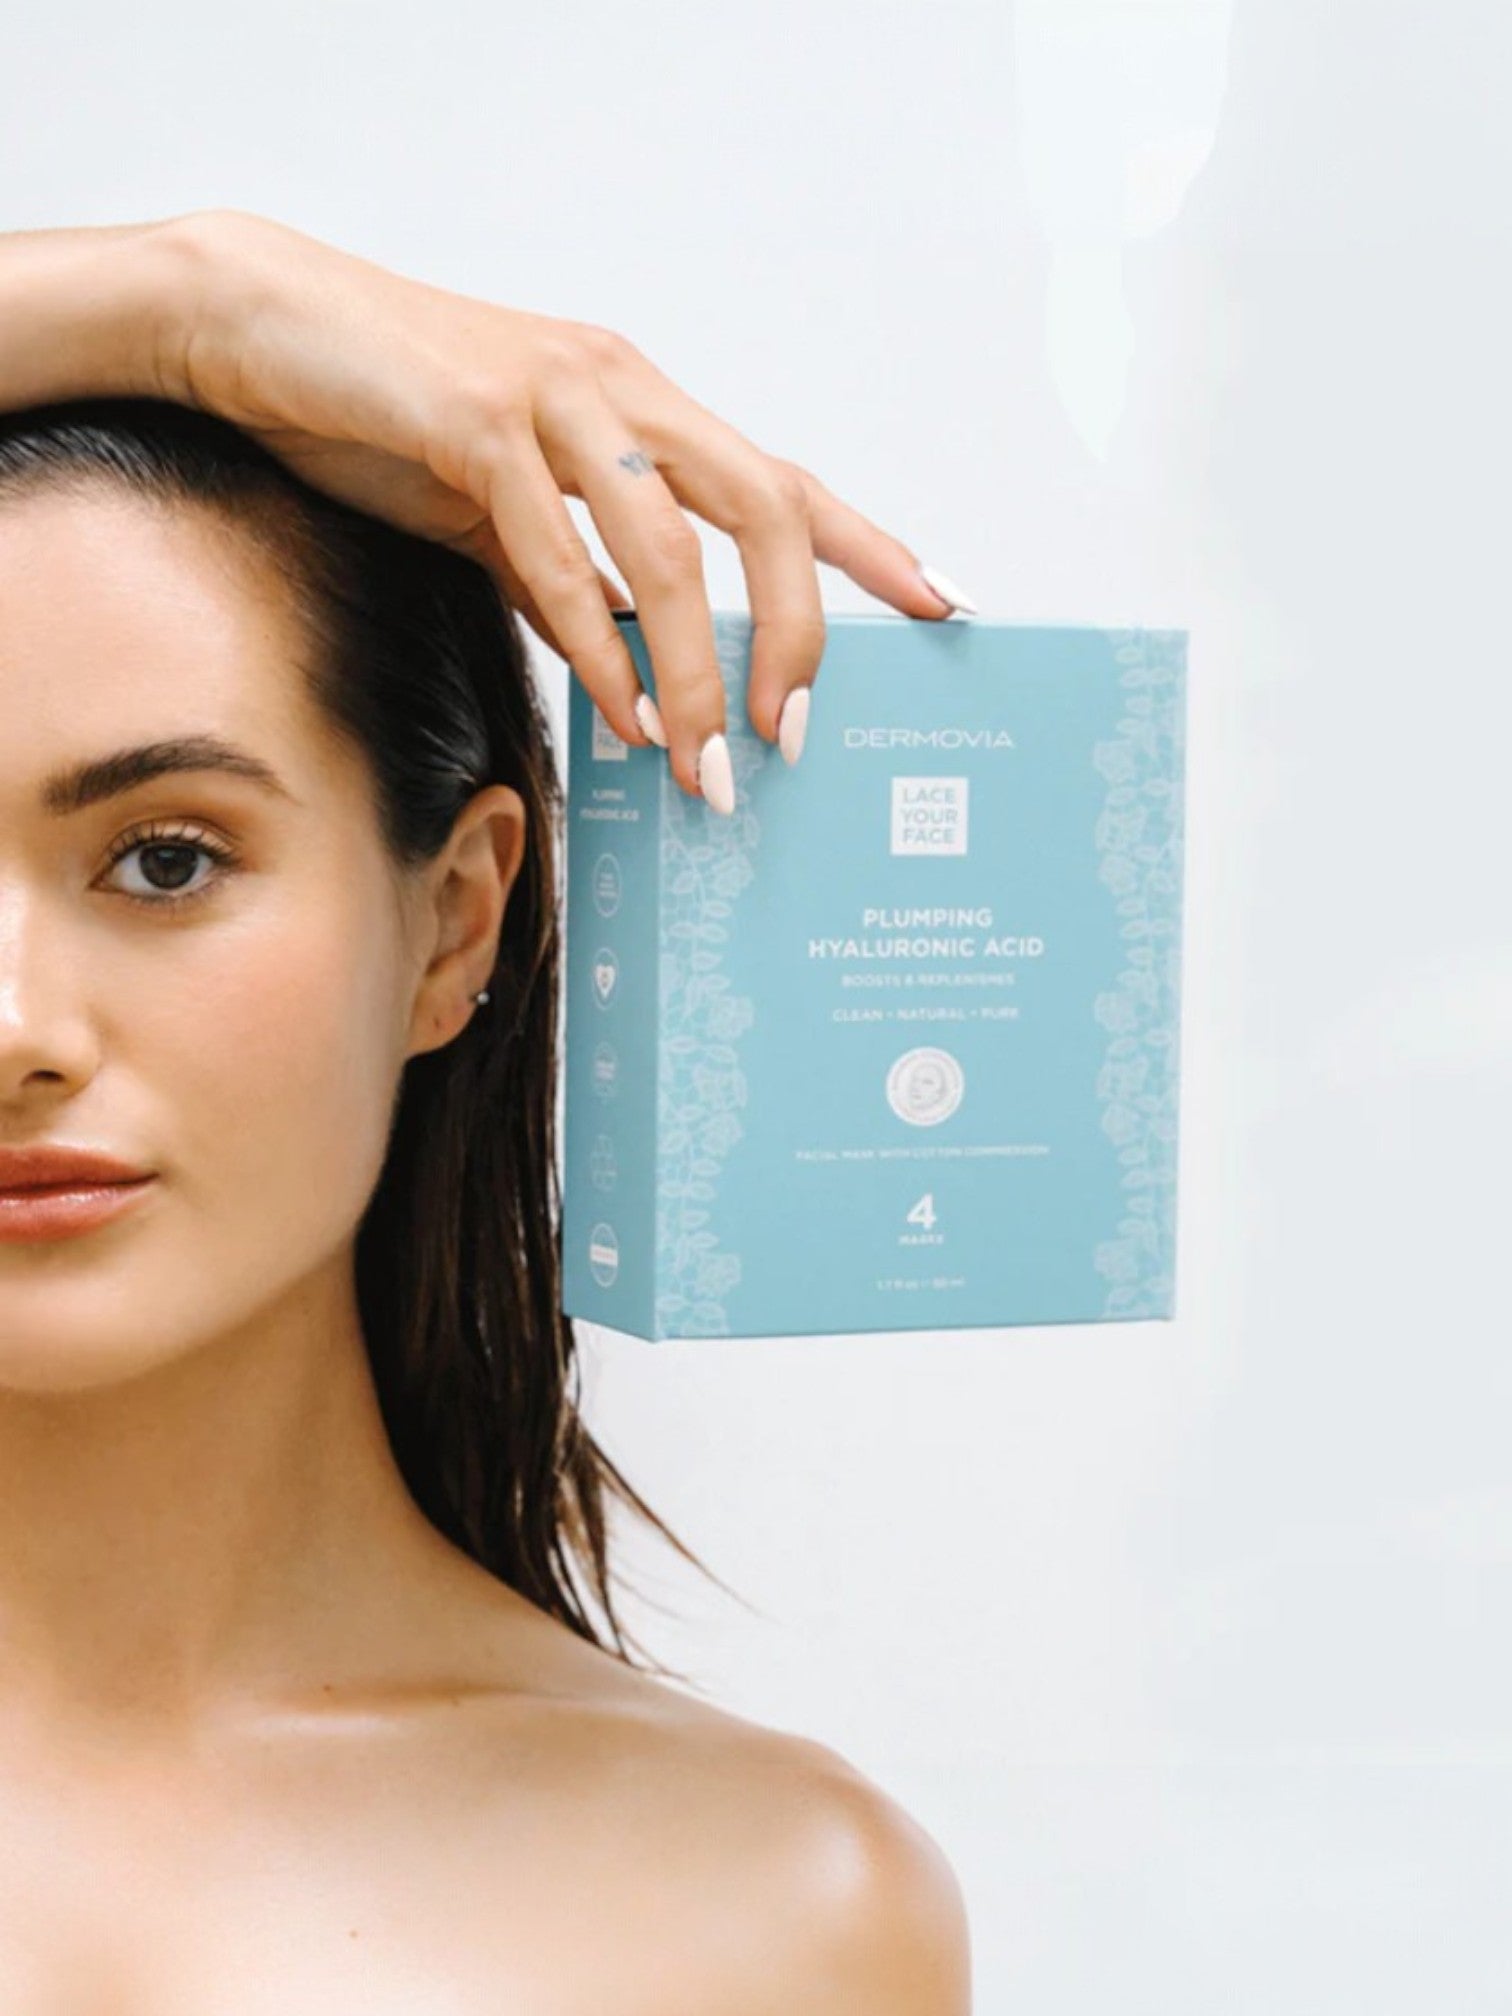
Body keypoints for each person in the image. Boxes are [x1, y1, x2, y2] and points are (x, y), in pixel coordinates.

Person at [0, 210, 974, 2009]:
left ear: (454, 922)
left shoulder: (767, 1913)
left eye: (161, 858)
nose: (16, 1031)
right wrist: (193, 301)